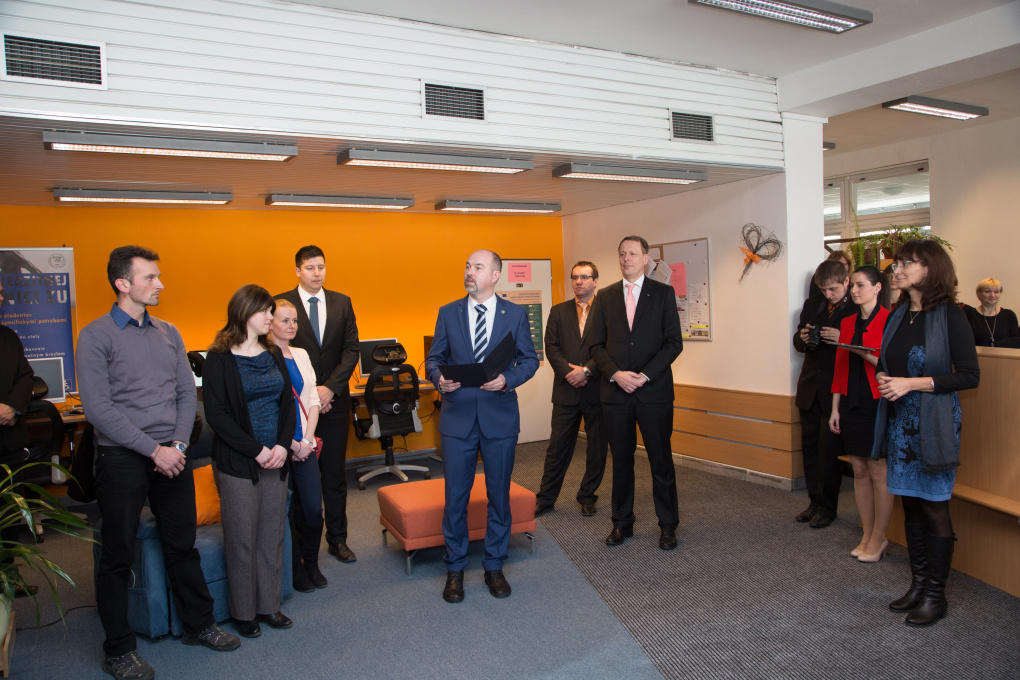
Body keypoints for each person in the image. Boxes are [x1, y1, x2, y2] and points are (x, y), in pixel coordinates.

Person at [76, 246, 239, 680]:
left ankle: (198, 624)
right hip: (123, 458)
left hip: (173, 454)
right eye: (149, 277)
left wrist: (178, 445)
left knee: (181, 544)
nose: (159, 284)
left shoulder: (169, 332)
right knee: (118, 555)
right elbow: (98, 409)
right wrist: (154, 450)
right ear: (122, 284)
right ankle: (118, 650)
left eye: (157, 276)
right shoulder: (95, 336)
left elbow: (187, 392)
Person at [873, 240, 979, 627]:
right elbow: (890, 363)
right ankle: (918, 585)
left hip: (934, 425)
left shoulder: (950, 315)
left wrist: (911, 384)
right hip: (901, 423)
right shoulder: (899, 314)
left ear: (930, 269)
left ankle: (936, 595)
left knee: (934, 506)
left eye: (907, 263)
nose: (897, 270)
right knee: (911, 504)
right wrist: (885, 377)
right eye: (897, 263)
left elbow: (969, 376)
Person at [425, 250, 538, 603]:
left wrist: (507, 379)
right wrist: (438, 379)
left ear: (495, 275)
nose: (469, 272)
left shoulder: (514, 314)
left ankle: (494, 565)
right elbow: (433, 359)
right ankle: (455, 568)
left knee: (498, 496)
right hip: (457, 417)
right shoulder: (448, 312)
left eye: (477, 267)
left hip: (499, 417)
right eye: (467, 266)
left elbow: (530, 360)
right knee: (455, 498)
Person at [203, 284, 296, 639]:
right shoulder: (219, 359)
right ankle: (244, 612)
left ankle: (269, 605)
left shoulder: (273, 353)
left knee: (271, 536)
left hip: (276, 459)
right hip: (239, 462)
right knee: (242, 538)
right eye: (266, 312)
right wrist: (257, 450)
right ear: (245, 313)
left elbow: (287, 405)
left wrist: (282, 446)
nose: (271, 318)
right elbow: (217, 415)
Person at [588, 236, 684, 550]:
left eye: (632, 253)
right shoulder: (605, 296)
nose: (626, 258)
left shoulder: (663, 294)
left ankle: (668, 525)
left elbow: (674, 343)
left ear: (645, 258)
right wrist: (616, 374)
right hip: (616, 395)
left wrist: (644, 375)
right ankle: (622, 523)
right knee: (621, 462)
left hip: (654, 392)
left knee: (661, 462)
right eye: (622, 254)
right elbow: (595, 345)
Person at [276, 246, 360, 564]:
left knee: (334, 475)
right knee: (300, 475)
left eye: (321, 267)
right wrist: (313, 394)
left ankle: (338, 540)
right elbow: (277, 352)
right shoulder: (282, 304)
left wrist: (329, 390)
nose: (316, 273)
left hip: (334, 402)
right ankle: (301, 544)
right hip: (297, 406)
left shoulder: (342, 302)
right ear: (298, 270)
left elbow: (351, 350)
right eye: (310, 268)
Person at [534, 261, 609, 518]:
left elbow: (610, 348)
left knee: (596, 448)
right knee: (557, 448)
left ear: (595, 281)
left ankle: (587, 496)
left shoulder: (607, 311)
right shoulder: (558, 311)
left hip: (597, 390)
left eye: (585, 277)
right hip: (566, 390)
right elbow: (551, 348)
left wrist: (586, 370)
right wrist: (570, 373)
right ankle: (546, 498)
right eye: (575, 277)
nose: (579, 281)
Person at [828, 266, 892, 562]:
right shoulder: (847, 320)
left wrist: (863, 352)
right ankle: (866, 534)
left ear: (877, 288)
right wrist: (835, 407)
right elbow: (840, 366)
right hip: (850, 400)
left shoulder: (890, 319)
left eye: (861, 285)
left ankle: (879, 537)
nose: (855, 290)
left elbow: (891, 365)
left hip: (877, 400)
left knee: (879, 470)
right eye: (852, 285)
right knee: (859, 469)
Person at [793, 259, 858, 529]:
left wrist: (842, 337)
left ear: (846, 282)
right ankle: (813, 502)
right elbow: (797, 342)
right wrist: (804, 337)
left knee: (829, 450)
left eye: (833, 289)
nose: (828, 294)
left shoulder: (857, 307)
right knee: (809, 448)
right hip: (810, 386)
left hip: (837, 388)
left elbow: (867, 348)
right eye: (823, 289)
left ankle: (828, 507)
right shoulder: (813, 304)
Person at [268, 298, 326, 593]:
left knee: (313, 509)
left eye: (294, 320)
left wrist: (306, 440)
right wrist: (290, 443)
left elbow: (313, 399)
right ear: (270, 323)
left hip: (305, 443)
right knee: (286, 511)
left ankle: (311, 562)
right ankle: (295, 569)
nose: (291, 326)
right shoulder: (262, 356)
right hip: (277, 446)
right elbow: (267, 409)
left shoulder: (301, 354)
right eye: (284, 320)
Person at [0, 281, 39, 596]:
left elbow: (26, 376)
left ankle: (8, 578)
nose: (3, 297)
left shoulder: (8, 337)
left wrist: (12, 406)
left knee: (10, 516)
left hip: (9, 444)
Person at [964, 277, 1019, 347]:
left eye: (996, 292)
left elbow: (1015, 344)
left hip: (1004, 354)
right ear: (979, 294)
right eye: (987, 291)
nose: (992, 295)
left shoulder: (1009, 316)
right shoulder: (970, 315)